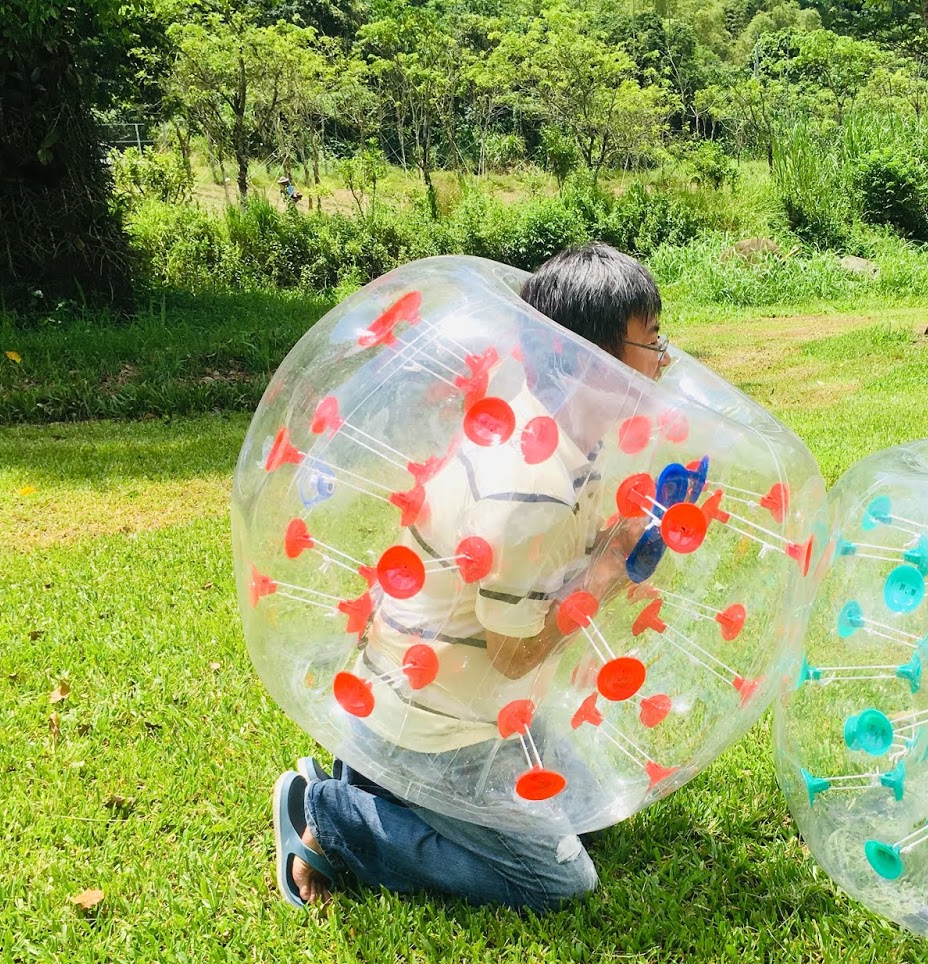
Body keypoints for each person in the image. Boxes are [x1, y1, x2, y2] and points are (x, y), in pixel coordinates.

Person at [273, 243, 673, 912]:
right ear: (591, 360)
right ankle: (340, 816)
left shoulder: (562, 427)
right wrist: (606, 572)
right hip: (443, 727)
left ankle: (379, 779)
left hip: (465, 701)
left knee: (596, 811)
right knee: (560, 882)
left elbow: (552, 563)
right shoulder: (529, 488)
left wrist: (617, 542)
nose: (664, 359)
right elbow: (513, 655)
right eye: (652, 340)